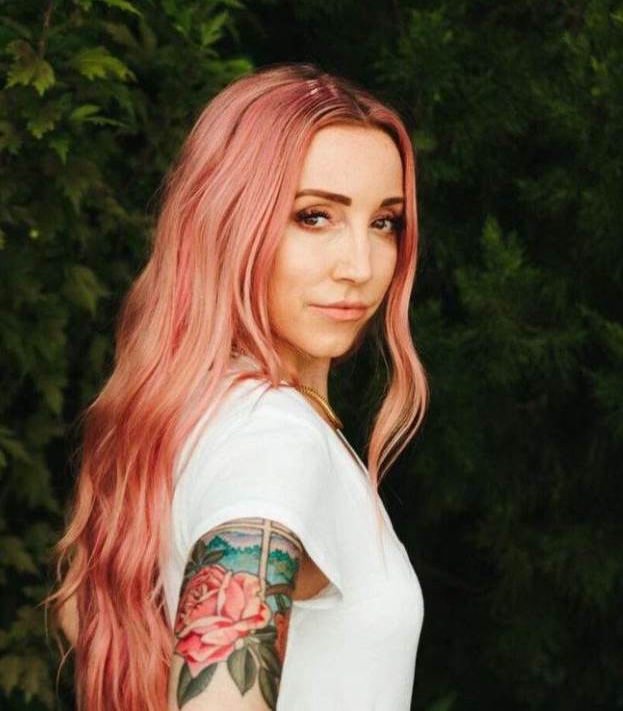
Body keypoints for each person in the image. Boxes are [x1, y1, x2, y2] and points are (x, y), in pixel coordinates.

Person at [44, 62, 429, 710]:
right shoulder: (272, 436)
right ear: (229, 221)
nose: (359, 266)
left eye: (383, 222)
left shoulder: (213, 413)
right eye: (314, 216)